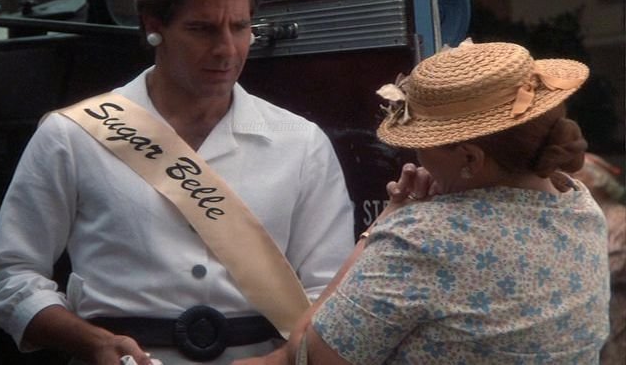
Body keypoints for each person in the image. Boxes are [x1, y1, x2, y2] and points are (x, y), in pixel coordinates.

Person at [0, 0, 354, 365]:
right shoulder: (73, 135)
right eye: (202, 29)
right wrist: (91, 342)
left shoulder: (301, 144)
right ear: (153, 26)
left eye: (240, 27)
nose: (227, 49)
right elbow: (10, 275)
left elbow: (332, 295)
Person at [235, 40, 611, 364]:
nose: (416, 157)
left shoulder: (421, 239)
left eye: (423, 143)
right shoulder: (581, 207)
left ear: (470, 159)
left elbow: (309, 354)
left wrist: (384, 224)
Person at [572, 153, 626, 365]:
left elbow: (613, 267)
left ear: (598, 181)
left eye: (577, 175)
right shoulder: (584, 221)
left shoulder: (620, 220)